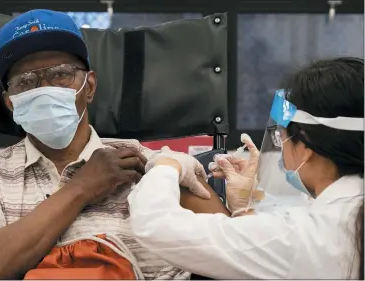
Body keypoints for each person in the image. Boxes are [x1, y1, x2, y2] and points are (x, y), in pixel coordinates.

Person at [0, 9, 228, 279]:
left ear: (89, 87)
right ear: (10, 103)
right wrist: (83, 187)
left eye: (61, 74)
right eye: (26, 81)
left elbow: (231, 247)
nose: (44, 89)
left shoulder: (146, 161)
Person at [128, 57, 364, 279]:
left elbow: (156, 225)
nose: (282, 149)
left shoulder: (311, 236)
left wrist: (166, 165)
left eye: (283, 139)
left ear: (305, 147)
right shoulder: (346, 214)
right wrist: (245, 208)